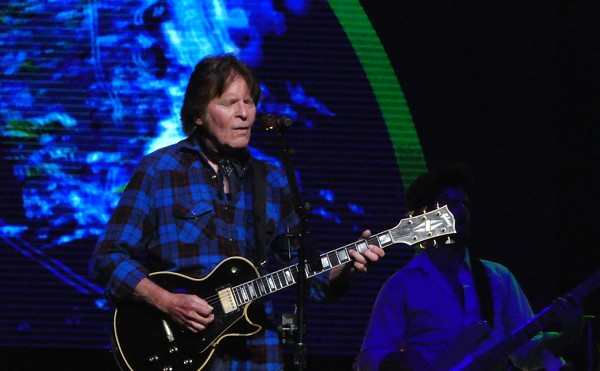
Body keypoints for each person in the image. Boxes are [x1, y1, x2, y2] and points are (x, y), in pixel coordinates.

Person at [91, 53, 384, 371]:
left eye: (249, 102)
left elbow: (309, 275)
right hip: (182, 351)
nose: (244, 114)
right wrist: (167, 301)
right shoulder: (161, 171)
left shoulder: (270, 179)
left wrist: (346, 266)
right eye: (230, 103)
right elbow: (109, 257)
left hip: (258, 357)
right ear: (199, 114)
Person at [354, 163, 581, 371]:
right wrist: (401, 362)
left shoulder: (498, 277)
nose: (460, 211)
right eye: (448, 204)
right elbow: (368, 358)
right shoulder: (401, 286)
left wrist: (568, 336)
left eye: (464, 203)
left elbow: (525, 355)